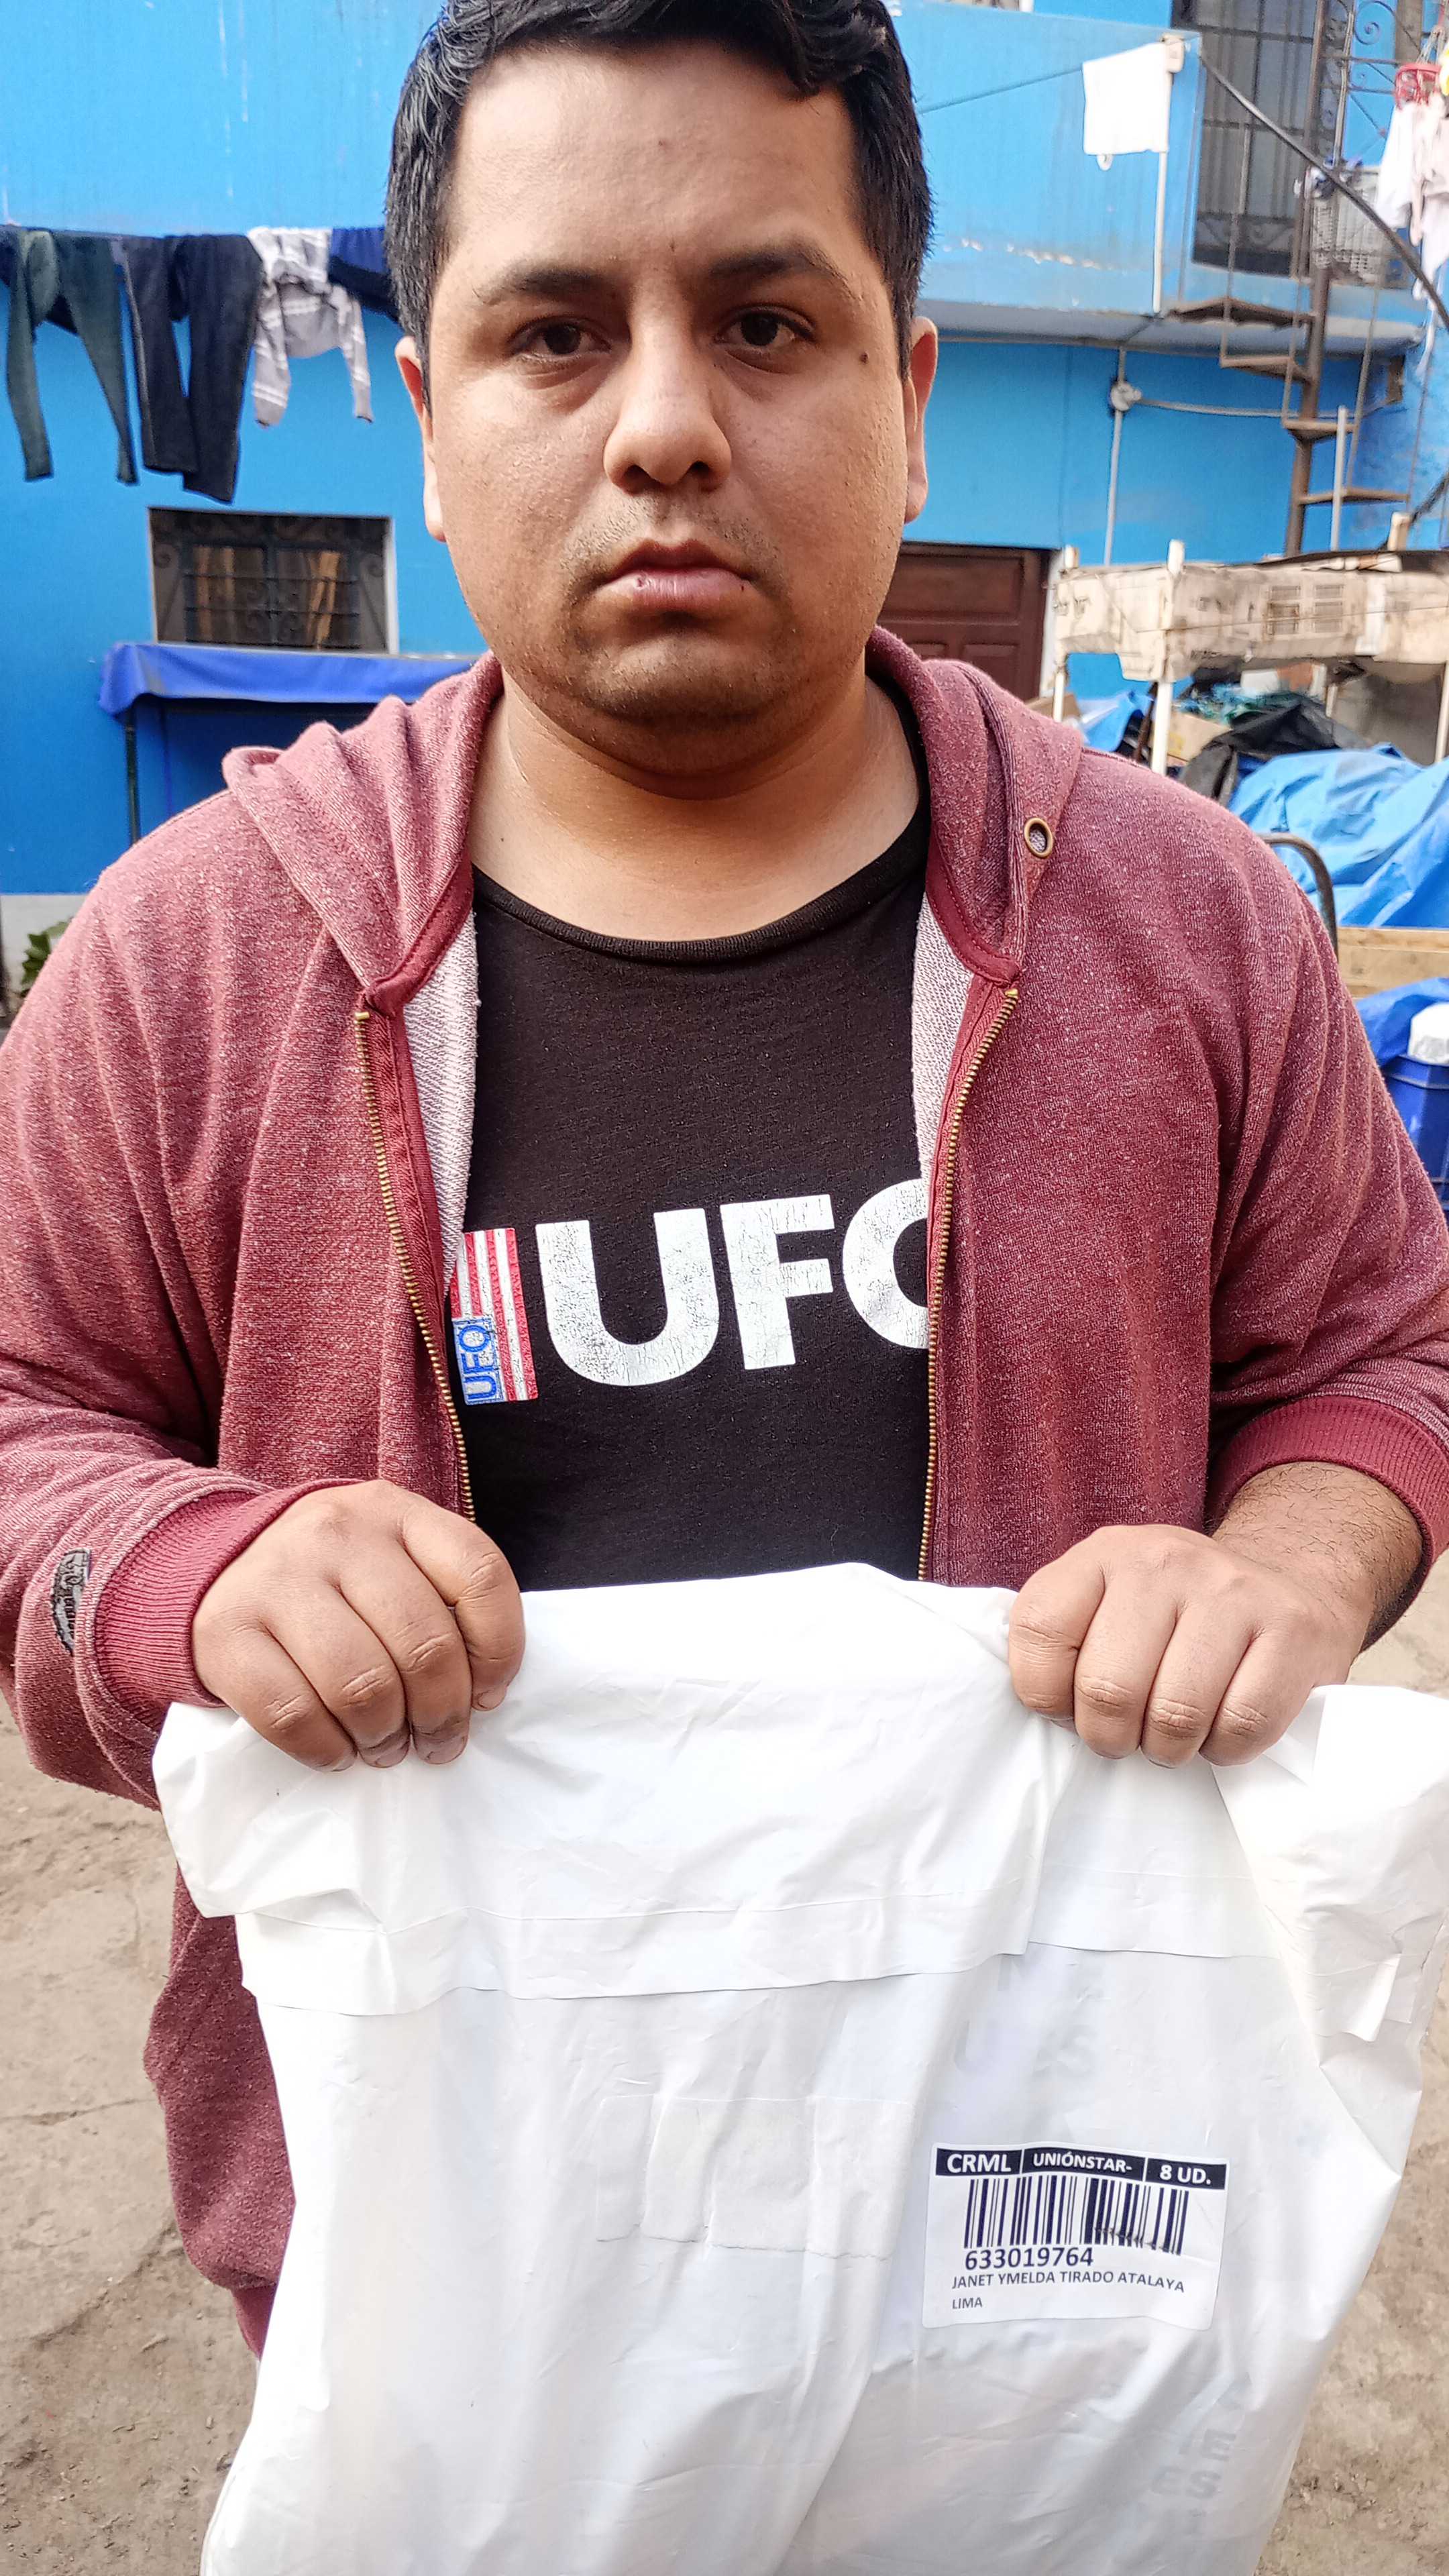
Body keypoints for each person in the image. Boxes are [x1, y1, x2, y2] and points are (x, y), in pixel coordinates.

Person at [3, 0, 1448, 2363]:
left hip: (1029, 2231)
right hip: (435, 2270)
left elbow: (1384, 1351)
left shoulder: (1189, 922)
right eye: (555, 333)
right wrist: (188, 1566)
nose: (665, 423)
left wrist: (1283, 1562)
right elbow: (25, 1420)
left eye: (767, 323)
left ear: (909, 394)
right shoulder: (195, 959)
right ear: (433, 424)